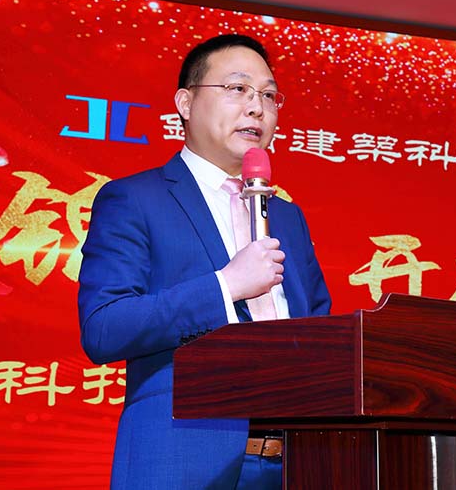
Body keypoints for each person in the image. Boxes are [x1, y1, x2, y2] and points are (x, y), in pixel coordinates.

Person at [78, 34, 331, 489]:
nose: (257, 108)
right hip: (183, 457)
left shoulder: (287, 217)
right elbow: (104, 327)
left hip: (297, 460)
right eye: (238, 89)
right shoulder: (134, 199)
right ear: (185, 103)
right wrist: (225, 286)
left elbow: (319, 332)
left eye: (268, 96)